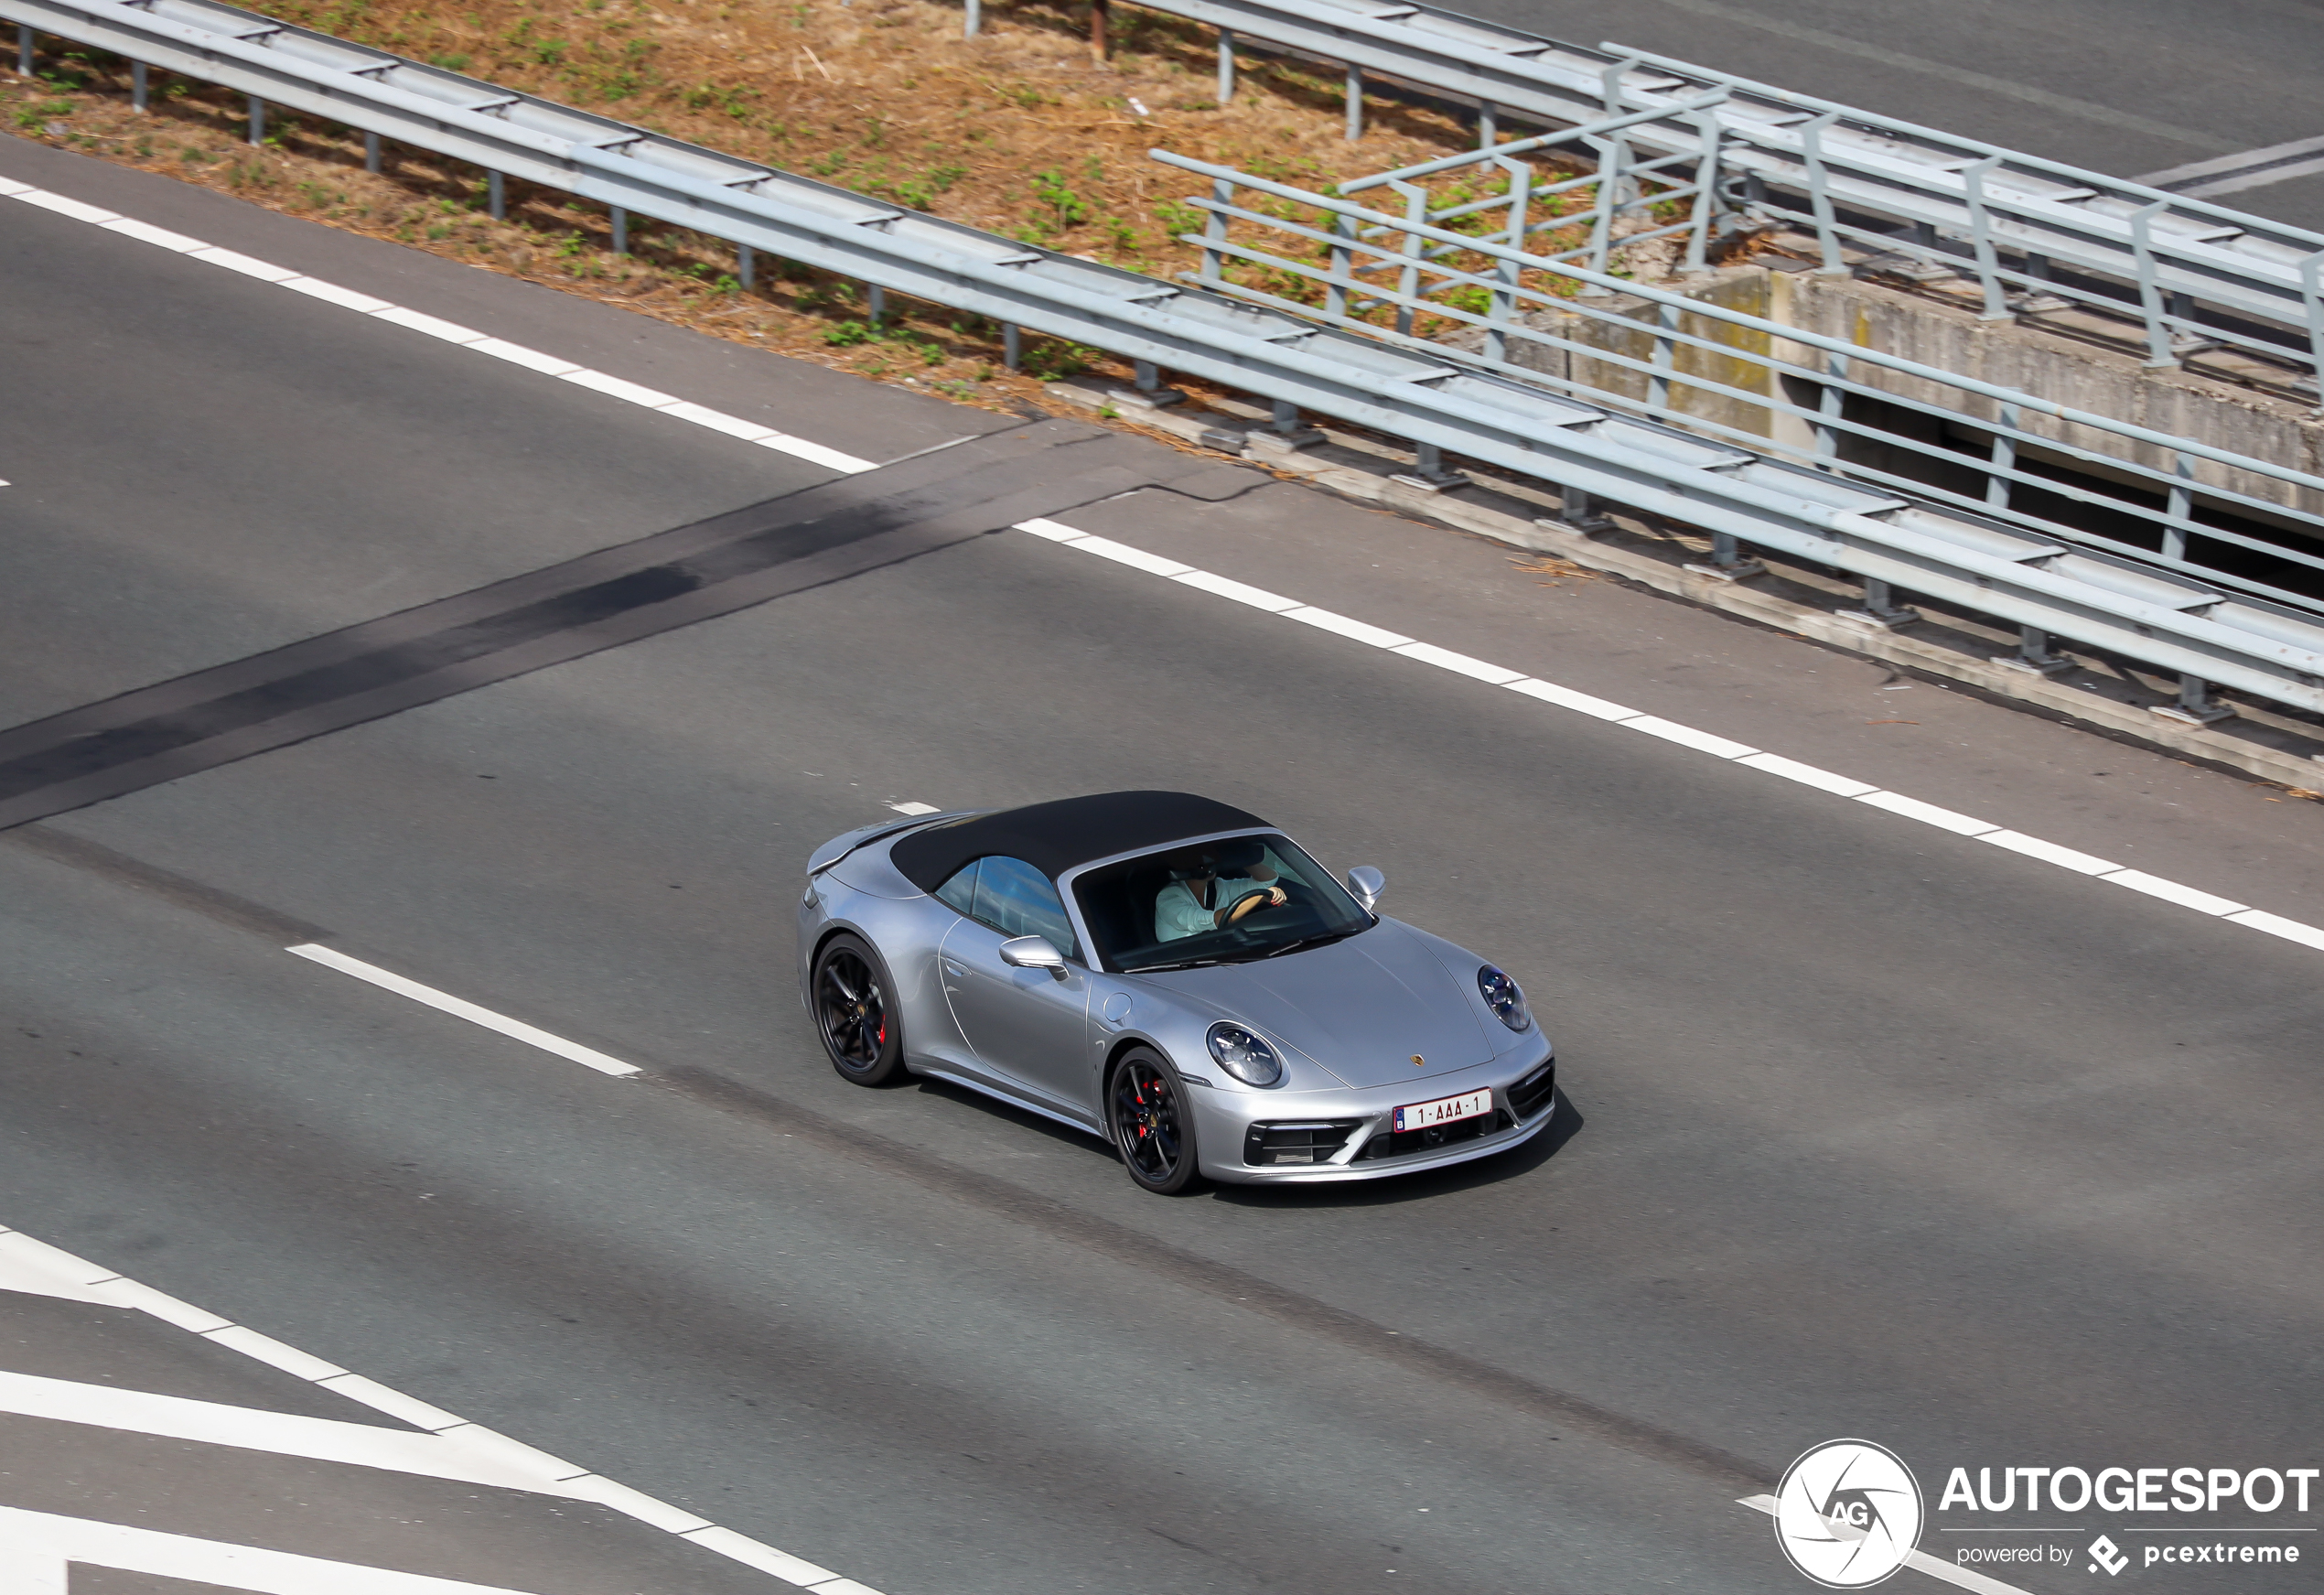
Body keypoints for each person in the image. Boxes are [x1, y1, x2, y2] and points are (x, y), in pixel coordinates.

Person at [1154, 840, 1287, 941]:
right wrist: (1259, 897)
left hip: (1218, 956)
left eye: (1211, 859)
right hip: (1181, 964)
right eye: (1202, 861)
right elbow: (1211, 921)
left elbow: (1267, 881)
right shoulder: (1168, 898)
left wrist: (1244, 859)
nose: (1209, 863)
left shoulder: (1218, 886)